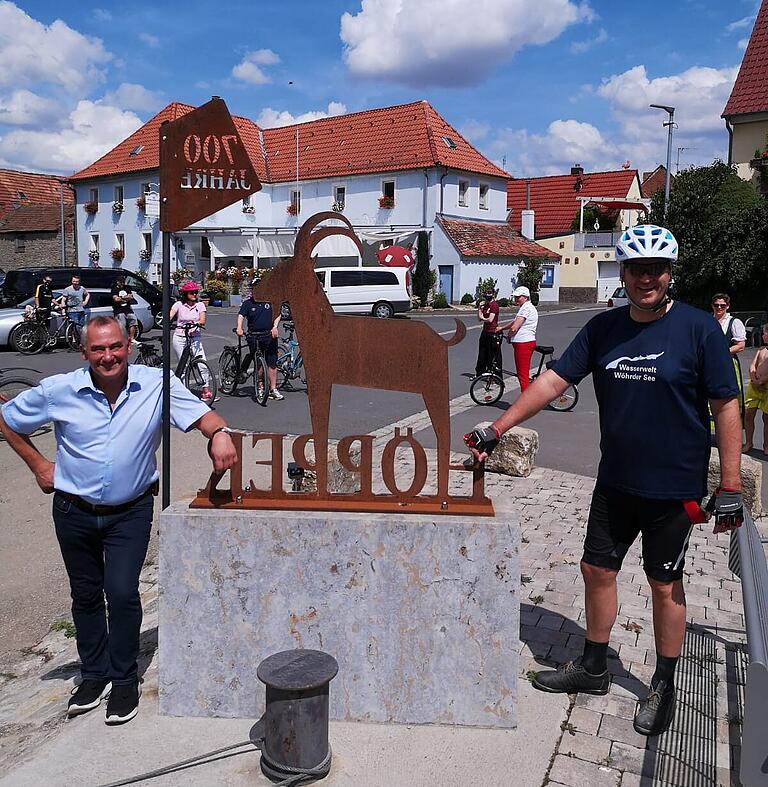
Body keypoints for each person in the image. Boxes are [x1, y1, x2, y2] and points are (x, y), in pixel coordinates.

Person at [464, 225, 743, 737]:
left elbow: (727, 404)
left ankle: (663, 682)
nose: (646, 278)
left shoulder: (699, 329)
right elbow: (553, 381)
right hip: (614, 482)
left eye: (656, 268)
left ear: (669, 272)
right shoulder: (603, 328)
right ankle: (594, 667)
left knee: (664, 585)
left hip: (673, 491)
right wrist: (497, 426)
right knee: (596, 569)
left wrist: (731, 485)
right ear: (624, 272)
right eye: (636, 268)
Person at [0, 316, 238, 725]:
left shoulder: (156, 383)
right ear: (84, 353)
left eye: (114, 347)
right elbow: (9, 418)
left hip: (130, 511)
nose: (107, 356)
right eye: (98, 349)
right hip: (74, 511)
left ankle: (124, 679)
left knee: (123, 592)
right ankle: (93, 674)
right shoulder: (60, 391)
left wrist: (220, 435)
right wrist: (40, 465)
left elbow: (204, 418)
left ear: (128, 345)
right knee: (86, 594)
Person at [237, 277, 284, 400]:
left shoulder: (270, 301)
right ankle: (260, 386)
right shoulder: (248, 303)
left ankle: (273, 388)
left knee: (272, 363)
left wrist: (275, 327)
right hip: (254, 336)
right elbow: (241, 315)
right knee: (259, 363)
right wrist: (239, 328)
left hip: (269, 335)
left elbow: (278, 313)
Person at [170, 280, 213, 402]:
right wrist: (167, 322)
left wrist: (197, 323)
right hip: (180, 337)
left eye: (195, 292)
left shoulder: (200, 305)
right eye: (191, 292)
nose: (194, 294)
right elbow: (170, 314)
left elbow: (202, 319)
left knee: (201, 363)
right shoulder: (178, 304)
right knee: (183, 365)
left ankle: (206, 390)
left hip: (195, 337)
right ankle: (185, 394)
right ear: (185, 294)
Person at [711, 293, 746, 417]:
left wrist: (722, 353)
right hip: (709, 362)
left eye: (722, 305)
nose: (719, 308)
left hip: (728, 362)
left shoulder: (734, 322)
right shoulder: (708, 320)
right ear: (712, 306)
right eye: (716, 305)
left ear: (728, 306)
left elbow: (741, 345)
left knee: (728, 393)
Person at [505, 285, 539, 392]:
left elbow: (515, 327)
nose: (516, 299)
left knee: (522, 375)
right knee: (523, 374)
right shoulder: (526, 308)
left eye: (518, 297)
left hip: (523, 344)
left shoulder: (526, 308)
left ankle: (526, 402)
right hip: (524, 343)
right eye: (515, 297)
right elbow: (515, 322)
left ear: (525, 297)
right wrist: (502, 328)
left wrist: (509, 336)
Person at [744, 324, 768, 453]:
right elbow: (752, 365)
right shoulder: (761, 349)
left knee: (767, 417)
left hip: (765, 387)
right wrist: (754, 379)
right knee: (748, 414)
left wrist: (762, 381)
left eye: (765, 333)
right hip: (754, 386)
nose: (763, 335)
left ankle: (766, 445)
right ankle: (748, 442)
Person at [475, 287, 503, 377]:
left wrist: (483, 318)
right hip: (485, 332)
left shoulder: (494, 305)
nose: (487, 295)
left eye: (489, 293)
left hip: (493, 332)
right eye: (486, 293)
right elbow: (479, 318)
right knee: (482, 353)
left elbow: (490, 319)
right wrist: (480, 308)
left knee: (494, 356)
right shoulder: (485, 305)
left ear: (493, 294)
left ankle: (496, 376)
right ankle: (480, 373)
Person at [111, 275, 138, 344]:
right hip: (119, 310)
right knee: (122, 325)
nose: (122, 283)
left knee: (133, 321)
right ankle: (122, 339)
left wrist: (122, 298)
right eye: (121, 282)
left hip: (128, 309)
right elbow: (116, 299)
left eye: (123, 282)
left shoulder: (127, 288)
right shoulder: (114, 289)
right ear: (117, 282)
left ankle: (132, 338)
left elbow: (131, 297)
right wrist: (125, 297)